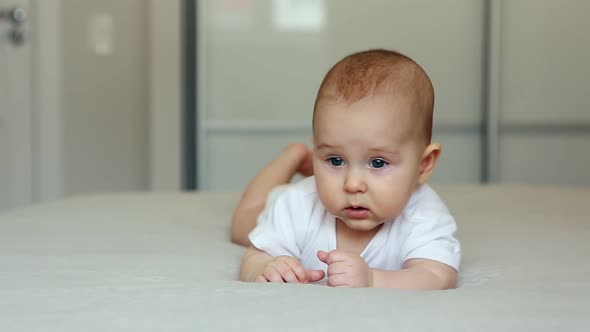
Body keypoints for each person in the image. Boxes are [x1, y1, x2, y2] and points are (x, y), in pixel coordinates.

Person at [231, 49, 461, 289]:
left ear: (423, 166)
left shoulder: (424, 214)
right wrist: (266, 267)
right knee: (242, 227)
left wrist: (373, 279)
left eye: (378, 163)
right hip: (281, 202)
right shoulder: (298, 203)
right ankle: (294, 155)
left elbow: (437, 276)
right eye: (335, 160)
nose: (352, 184)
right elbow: (254, 256)